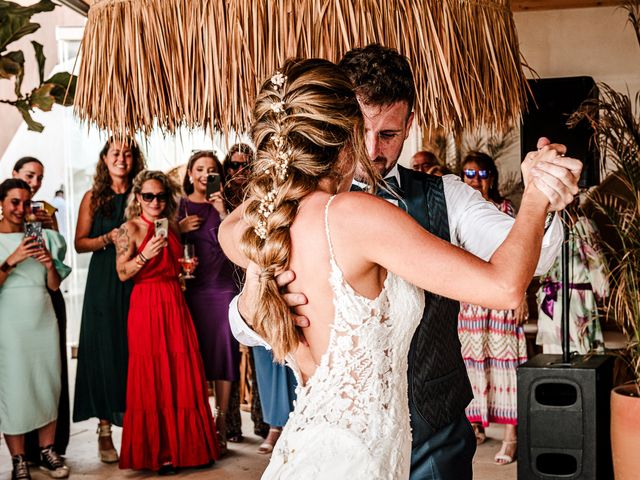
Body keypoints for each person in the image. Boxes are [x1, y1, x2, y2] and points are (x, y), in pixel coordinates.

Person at [229, 45, 581, 480]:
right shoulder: (338, 212)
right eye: (365, 131)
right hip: (356, 450)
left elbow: (528, 253)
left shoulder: (439, 196)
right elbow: (505, 286)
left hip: (415, 433)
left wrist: (543, 211)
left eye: (389, 134)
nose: (374, 150)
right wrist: (534, 197)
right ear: (345, 126)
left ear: (410, 123)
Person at [116, 170, 219, 474]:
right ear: (138, 199)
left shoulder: (170, 227)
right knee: (152, 373)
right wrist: (144, 256)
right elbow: (122, 273)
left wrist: (184, 268)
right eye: (149, 196)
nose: (155, 201)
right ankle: (160, 452)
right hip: (146, 305)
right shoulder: (128, 230)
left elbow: (173, 265)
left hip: (174, 301)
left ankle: (189, 448)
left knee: (181, 370)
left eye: (161, 195)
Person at [73, 138, 145, 463]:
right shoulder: (93, 197)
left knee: (133, 350)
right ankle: (104, 430)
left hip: (136, 280)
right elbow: (79, 243)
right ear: (104, 159)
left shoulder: (141, 195)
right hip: (103, 282)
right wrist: (108, 237)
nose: (121, 158)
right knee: (104, 349)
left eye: (127, 153)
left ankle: (136, 427)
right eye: (115, 153)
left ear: (135, 159)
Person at [457, 151, 528, 464]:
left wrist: (521, 294)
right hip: (470, 301)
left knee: (506, 363)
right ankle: (477, 426)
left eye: (483, 174)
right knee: (473, 365)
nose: (477, 180)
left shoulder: (505, 208)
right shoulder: (455, 209)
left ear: (493, 177)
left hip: (499, 300)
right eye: (470, 174)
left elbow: (520, 257)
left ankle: (511, 436)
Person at [0, 178, 71, 480]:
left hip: (43, 317)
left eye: (26, 202)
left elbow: (53, 286)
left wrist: (49, 265)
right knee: (14, 387)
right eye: (14, 202)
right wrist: (11, 260)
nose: (21, 208)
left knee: (47, 382)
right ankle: (18, 459)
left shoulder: (47, 238)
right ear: (2, 203)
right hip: (10, 323)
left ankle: (47, 450)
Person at [177, 151, 239, 453]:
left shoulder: (225, 205)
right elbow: (167, 243)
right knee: (196, 356)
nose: (205, 174)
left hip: (223, 288)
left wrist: (223, 210)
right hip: (192, 290)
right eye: (199, 169)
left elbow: (238, 244)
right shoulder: (180, 206)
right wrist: (179, 229)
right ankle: (200, 423)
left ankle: (220, 422)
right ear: (190, 174)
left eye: (211, 170)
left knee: (225, 353)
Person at [536, 201, 609, 354]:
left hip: (578, 300)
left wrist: (602, 291)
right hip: (552, 299)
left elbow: (597, 263)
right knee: (552, 355)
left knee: (583, 357)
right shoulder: (544, 225)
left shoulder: (584, 226)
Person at [223, 143, 254, 210]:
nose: (240, 170)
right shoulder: (222, 195)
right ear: (228, 169)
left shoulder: (257, 195)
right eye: (235, 165)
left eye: (246, 165)